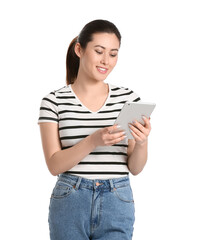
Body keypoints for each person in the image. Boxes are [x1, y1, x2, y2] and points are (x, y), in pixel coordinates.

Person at [38, 19, 151, 240]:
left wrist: (142, 142)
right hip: (70, 199)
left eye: (113, 54)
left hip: (117, 200)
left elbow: (135, 168)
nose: (105, 61)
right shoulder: (53, 101)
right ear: (79, 49)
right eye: (99, 51)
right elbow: (54, 165)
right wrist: (93, 140)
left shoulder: (128, 99)